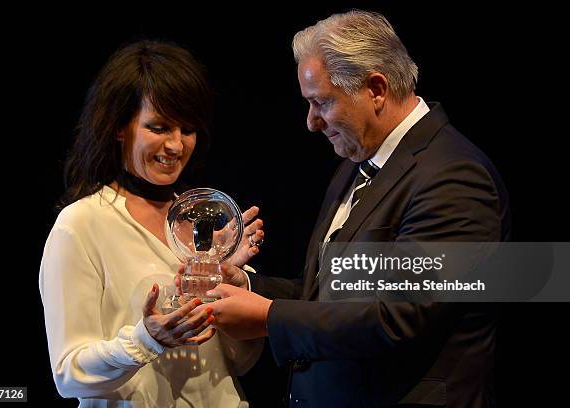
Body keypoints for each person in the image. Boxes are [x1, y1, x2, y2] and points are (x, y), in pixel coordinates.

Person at [195, 10, 510, 407]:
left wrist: (267, 316)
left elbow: (396, 317)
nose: (311, 122)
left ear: (375, 89)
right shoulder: (356, 164)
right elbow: (331, 295)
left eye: (322, 102)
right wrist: (250, 288)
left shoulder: (454, 177)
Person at [39, 40, 264, 407]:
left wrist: (235, 285)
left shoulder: (203, 224)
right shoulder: (81, 224)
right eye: (158, 127)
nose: (176, 145)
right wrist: (147, 339)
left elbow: (238, 361)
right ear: (119, 127)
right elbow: (68, 374)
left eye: (187, 130)